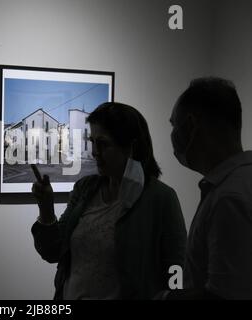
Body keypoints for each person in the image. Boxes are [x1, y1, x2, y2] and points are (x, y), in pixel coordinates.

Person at [31, 102, 187, 300]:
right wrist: (46, 208)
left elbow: (176, 267)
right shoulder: (85, 189)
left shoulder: (160, 198)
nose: (95, 152)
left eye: (103, 144)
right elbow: (53, 251)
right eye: (92, 142)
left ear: (130, 147)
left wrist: (171, 297)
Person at [166, 77, 252, 299]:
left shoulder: (228, 197)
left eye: (174, 125)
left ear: (192, 126)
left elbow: (225, 294)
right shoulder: (237, 182)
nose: (173, 136)